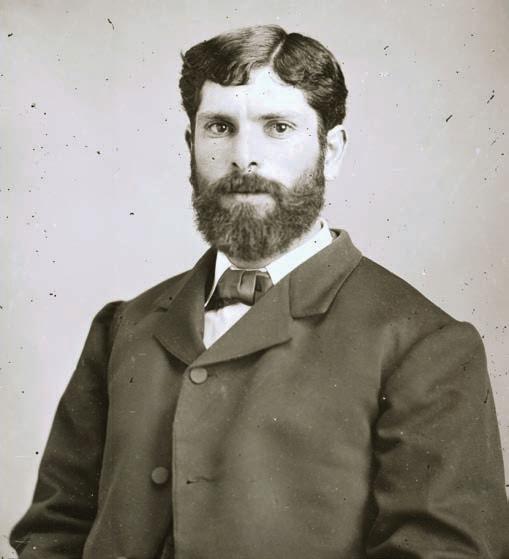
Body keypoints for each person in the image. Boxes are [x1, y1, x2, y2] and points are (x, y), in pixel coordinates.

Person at [10, 24, 508, 559]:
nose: (243, 156)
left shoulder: (425, 345)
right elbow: (54, 531)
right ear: (191, 145)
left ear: (330, 150)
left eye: (278, 127)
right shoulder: (123, 327)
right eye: (220, 127)